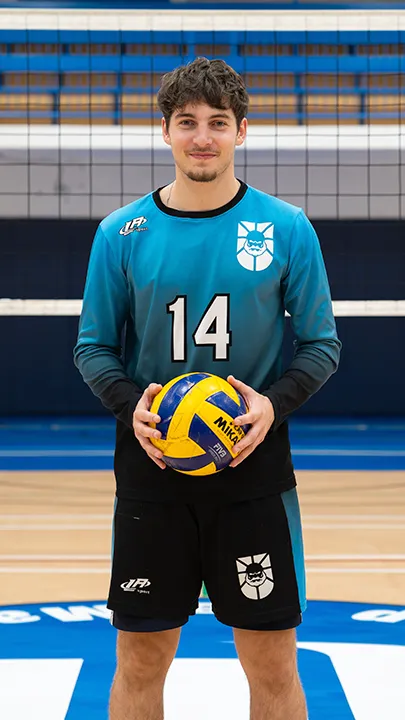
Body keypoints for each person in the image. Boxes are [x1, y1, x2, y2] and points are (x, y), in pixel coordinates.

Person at [74, 57, 341, 720]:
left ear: (241, 131)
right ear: (163, 131)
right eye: (186, 122)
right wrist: (131, 403)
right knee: (140, 657)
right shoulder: (121, 233)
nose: (202, 136)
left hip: (250, 471)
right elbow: (92, 347)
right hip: (153, 470)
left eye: (217, 123)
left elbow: (321, 345)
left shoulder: (285, 228)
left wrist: (270, 404)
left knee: (272, 661)